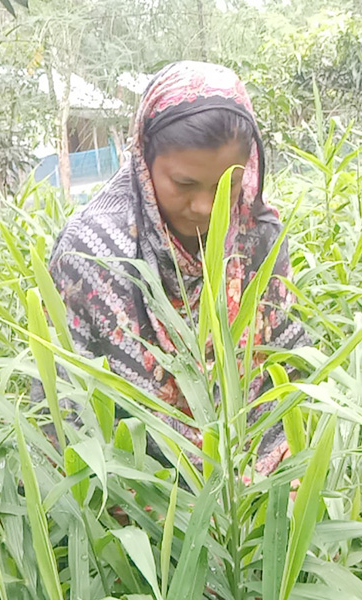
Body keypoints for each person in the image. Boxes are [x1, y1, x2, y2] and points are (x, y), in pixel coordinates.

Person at [45, 61, 307, 475]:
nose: (205, 207)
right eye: (184, 184)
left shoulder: (259, 236)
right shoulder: (91, 251)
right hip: (135, 493)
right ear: (145, 160)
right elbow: (63, 407)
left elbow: (289, 364)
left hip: (254, 478)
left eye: (227, 185)